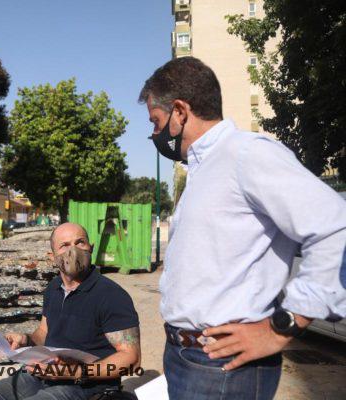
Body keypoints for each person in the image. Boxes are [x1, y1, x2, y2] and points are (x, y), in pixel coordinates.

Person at [139, 56, 346, 399]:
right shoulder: (204, 169)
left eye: (157, 122)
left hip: (223, 366)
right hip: (187, 356)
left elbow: (337, 228)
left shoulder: (245, 154)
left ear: (180, 111)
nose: (156, 135)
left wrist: (282, 327)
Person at [0, 222, 141, 400]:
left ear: (91, 248)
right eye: (64, 245)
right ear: (52, 256)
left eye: (80, 242)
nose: (73, 250)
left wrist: (74, 372)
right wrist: (25, 340)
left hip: (87, 384)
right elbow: (44, 332)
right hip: (44, 373)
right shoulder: (53, 288)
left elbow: (131, 360)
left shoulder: (111, 295)